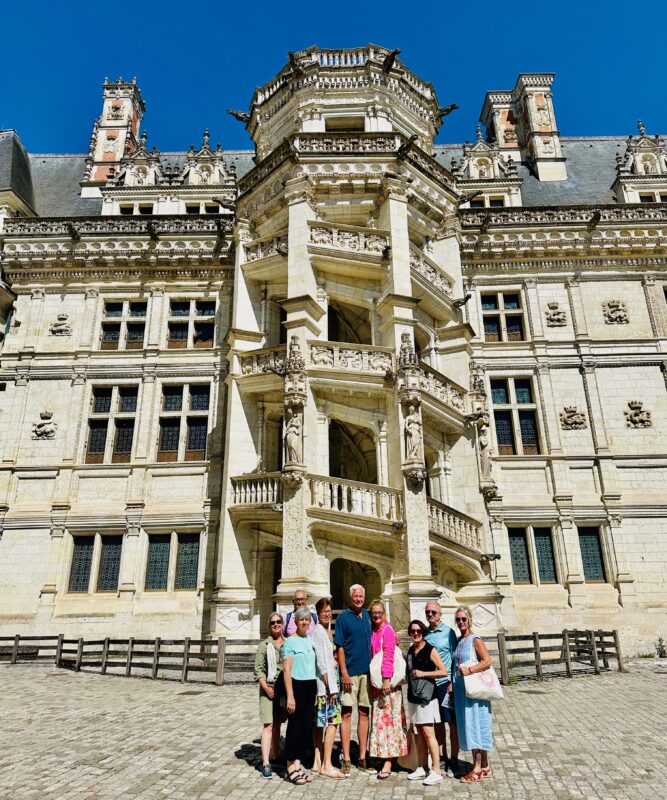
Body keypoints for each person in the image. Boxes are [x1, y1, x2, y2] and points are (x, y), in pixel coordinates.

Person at [333, 583, 375, 774]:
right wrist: (344, 673)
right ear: (351, 598)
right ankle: (347, 758)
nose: (358, 599)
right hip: (350, 673)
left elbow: (381, 630)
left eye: (361, 596)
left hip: (367, 673)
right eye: (355, 596)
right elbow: (339, 646)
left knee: (365, 714)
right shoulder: (343, 617)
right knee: (347, 714)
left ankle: (363, 757)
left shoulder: (368, 616)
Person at [453, 605, 494, 783]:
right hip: (463, 689)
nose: (461, 622)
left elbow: (487, 661)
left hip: (474, 689)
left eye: (463, 619)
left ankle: (476, 768)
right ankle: (485, 765)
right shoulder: (460, 640)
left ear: (469, 620)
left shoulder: (475, 639)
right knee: (474, 725)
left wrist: (469, 670)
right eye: (458, 619)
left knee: (475, 726)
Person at [368, 599, 408, 779]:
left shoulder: (387, 630)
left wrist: (386, 680)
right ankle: (383, 755)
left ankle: (389, 761)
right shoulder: (373, 630)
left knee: (390, 723)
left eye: (379, 613)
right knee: (380, 723)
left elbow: (388, 656)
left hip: (388, 684)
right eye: (373, 613)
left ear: (384, 613)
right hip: (378, 685)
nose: (376, 616)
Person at [405, 619, 448, 786]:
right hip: (413, 697)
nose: (415, 633)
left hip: (427, 698)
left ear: (423, 632)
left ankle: (436, 770)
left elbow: (443, 671)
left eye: (418, 631)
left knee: (429, 733)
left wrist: (424, 673)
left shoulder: (430, 649)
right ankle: (422, 767)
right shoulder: (410, 651)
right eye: (412, 631)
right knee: (419, 733)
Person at [281, 607, 318, 785]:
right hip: (296, 686)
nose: (304, 622)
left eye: (307, 620)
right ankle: (289, 766)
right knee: (294, 727)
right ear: (295, 622)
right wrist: (290, 696)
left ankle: (297, 764)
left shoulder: (309, 640)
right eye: (301, 620)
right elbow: (287, 670)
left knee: (305, 728)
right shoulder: (290, 642)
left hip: (310, 686)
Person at [311, 597, 346, 779]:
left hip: (326, 687)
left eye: (329, 611)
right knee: (332, 723)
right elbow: (322, 663)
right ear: (317, 614)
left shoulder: (324, 630)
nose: (327, 613)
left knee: (320, 724)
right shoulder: (319, 631)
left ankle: (318, 761)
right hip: (328, 687)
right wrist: (332, 688)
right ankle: (327, 764)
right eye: (323, 611)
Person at [424, 601, 460, 776]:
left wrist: (453, 682)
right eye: (427, 612)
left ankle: (454, 759)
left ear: (440, 614)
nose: (430, 615)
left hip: (445, 684)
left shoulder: (448, 633)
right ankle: (441, 756)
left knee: (451, 723)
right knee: (437, 723)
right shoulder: (425, 633)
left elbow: (455, 660)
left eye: (433, 612)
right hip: (431, 685)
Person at [254, 613, 286, 779]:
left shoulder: (288, 644)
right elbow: (258, 670)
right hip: (268, 689)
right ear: (269, 626)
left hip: (283, 691)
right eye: (272, 622)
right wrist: (266, 687)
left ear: (283, 624)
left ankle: (276, 755)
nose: (276, 624)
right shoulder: (263, 646)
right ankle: (266, 762)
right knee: (268, 725)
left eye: (278, 622)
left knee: (278, 724)